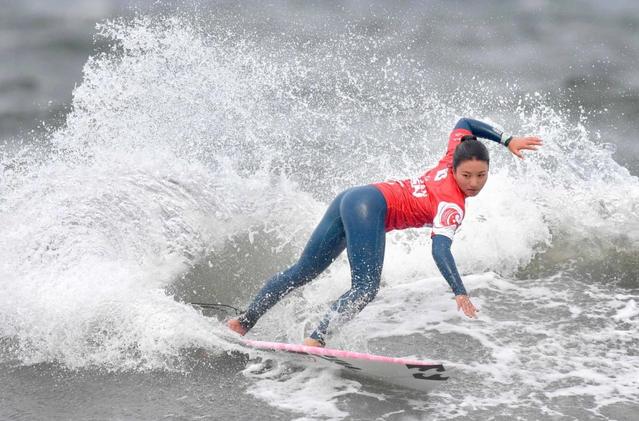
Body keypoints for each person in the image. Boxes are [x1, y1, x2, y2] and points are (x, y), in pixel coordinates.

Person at [228, 118, 542, 347]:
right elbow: (440, 250)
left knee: (304, 271)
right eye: (466, 176)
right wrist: (459, 290)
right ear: (455, 168)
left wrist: (506, 140)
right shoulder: (452, 204)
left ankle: (241, 324)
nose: (473, 183)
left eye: (481, 176)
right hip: (370, 208)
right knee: (365, 288)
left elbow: (464, 124)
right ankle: (316, 341)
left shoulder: (451, 158)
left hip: (355, 197)